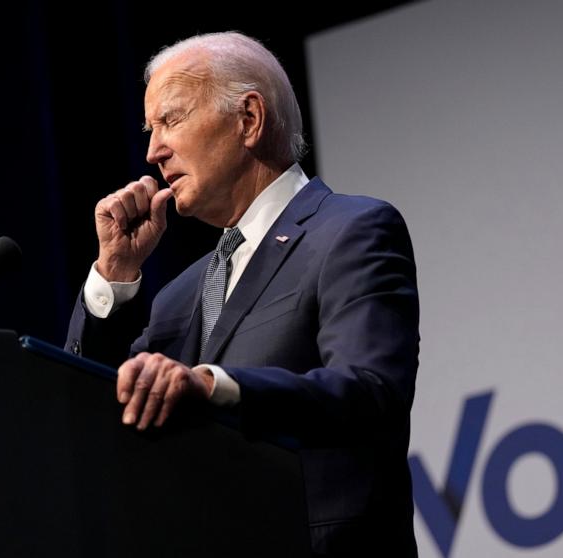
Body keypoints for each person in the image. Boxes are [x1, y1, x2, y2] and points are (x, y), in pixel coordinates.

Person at [65, 31, 419, 556]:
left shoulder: (351, 230)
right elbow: (88, 409)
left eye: (172, 121)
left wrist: (215, 386)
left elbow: (371, 392)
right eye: (150, 129)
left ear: (248, 119)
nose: (153, 151)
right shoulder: (177, 298)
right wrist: (114, 273)